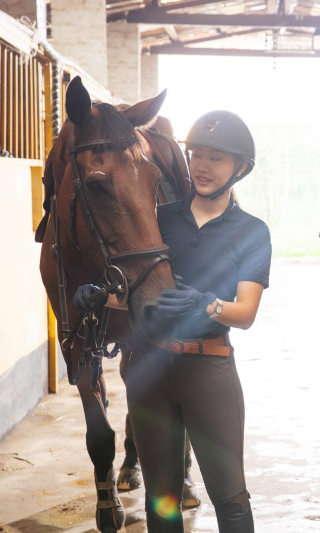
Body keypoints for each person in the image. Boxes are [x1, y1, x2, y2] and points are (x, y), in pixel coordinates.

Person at [77, 110, 271, 532]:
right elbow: (132, 292)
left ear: (240, 167)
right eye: (196, 155)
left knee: (230, 497)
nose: (201, 166)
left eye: (215, 158)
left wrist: (207, 304)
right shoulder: (160, 219)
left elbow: (247, 313)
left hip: (208, 369)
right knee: (160, 501)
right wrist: (98, 297)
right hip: (150, 370)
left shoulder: (252, 232)